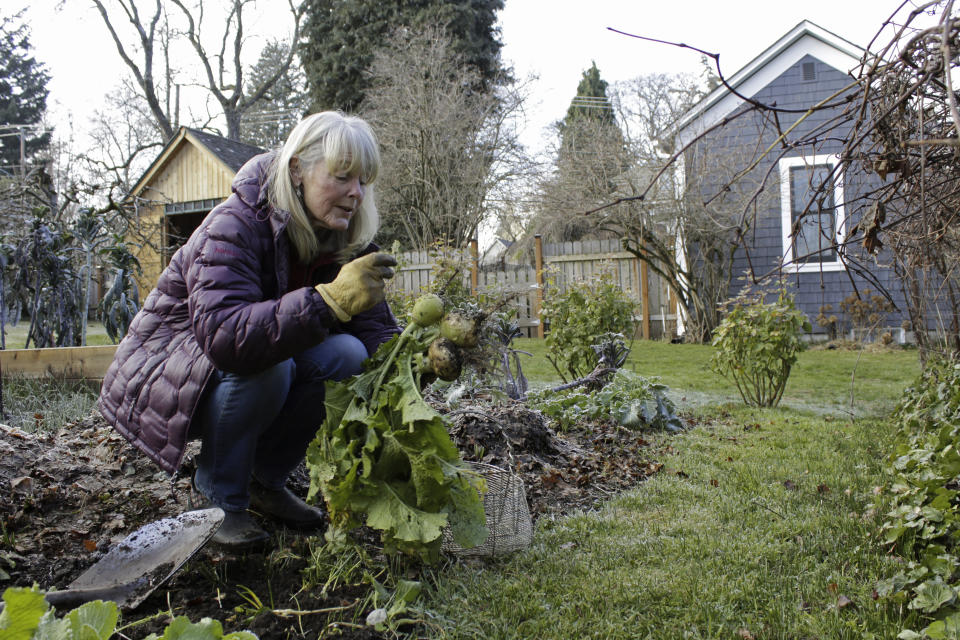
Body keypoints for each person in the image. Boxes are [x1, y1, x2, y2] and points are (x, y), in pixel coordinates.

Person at [98, 112, 400, 549]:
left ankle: (265, 480)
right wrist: (328, 301)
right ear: (297, 169)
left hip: (241, 369)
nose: (355, 193)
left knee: (349, 355)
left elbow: (373, 337)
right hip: (175, 375)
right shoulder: (235, 224)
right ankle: (217, 497)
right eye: (342, 176)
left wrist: (414, 358)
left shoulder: (344, 239)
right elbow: (227, 339)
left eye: (363, 181)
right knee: (270, 365)